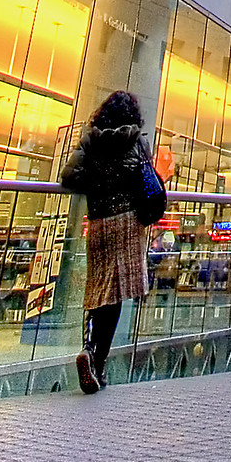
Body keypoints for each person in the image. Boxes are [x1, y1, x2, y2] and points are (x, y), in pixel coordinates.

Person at [61, 89, 161, 394]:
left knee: (98, 290)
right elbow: (148, 182)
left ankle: (88, 347)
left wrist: (98, 184)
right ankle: (98, 362)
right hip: (128, 223)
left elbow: (69, 177)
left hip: (100, 222)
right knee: (116, 294)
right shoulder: (137, 141)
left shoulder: (90, 141)